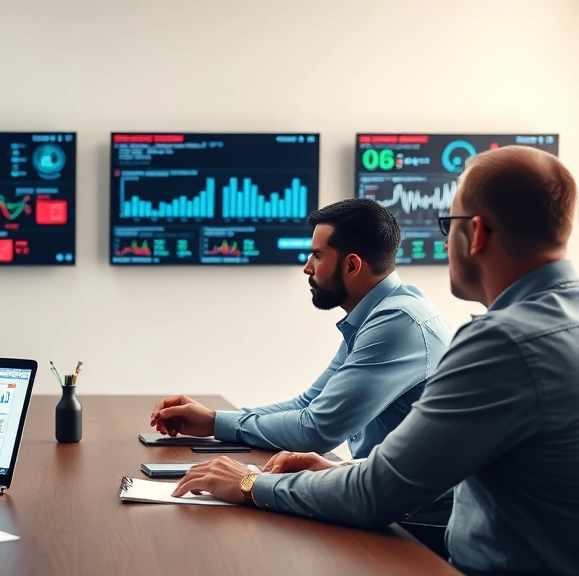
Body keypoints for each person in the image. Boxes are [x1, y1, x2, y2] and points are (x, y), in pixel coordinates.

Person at [172, 146, 579, 576]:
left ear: (475, 233)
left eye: (449, 225)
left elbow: (373, 491)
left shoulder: (499, 344)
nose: (445, 241)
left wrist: (250, 482)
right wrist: (342, 470)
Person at [151, 198, 453, 459]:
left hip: (415, 520)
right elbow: (308, 404)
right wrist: (214, 420)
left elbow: (317, 431)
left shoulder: (397, 322)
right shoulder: (378, 313)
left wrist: (217, 424)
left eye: (317, 255)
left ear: (352, 266)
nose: (308, 267)